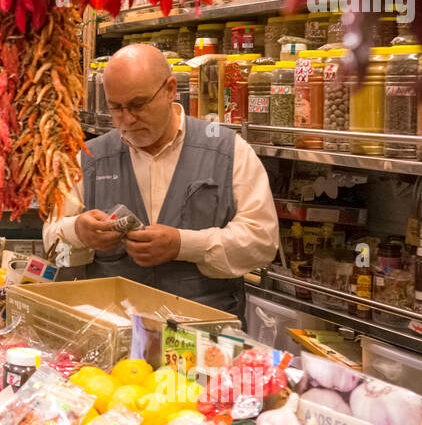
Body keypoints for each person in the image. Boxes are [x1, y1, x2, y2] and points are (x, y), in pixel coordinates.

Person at [43, 44, 278, 315]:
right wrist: (78, 232)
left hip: (203, 333)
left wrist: (184, 245)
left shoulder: (227, 150)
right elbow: (53, 250)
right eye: (116, 108)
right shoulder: (89, 157)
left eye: (138, 104)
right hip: (115, 331)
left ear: (169, 90)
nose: (127, 120)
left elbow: (262, 241)